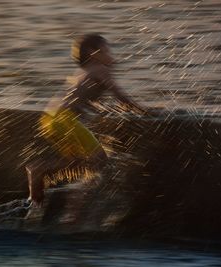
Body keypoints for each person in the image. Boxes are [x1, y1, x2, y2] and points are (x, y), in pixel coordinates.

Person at [26, 34, 147, 205]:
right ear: (92, 52)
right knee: (99, 160)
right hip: (65, 119)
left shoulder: (84, 71)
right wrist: (145, 111)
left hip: (49, 118)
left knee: (79, 162)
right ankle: (39, 170)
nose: (110, 54)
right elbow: (121, 97)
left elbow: (86, 100)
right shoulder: (100, 69)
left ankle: (41, 198)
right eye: (106, 50)